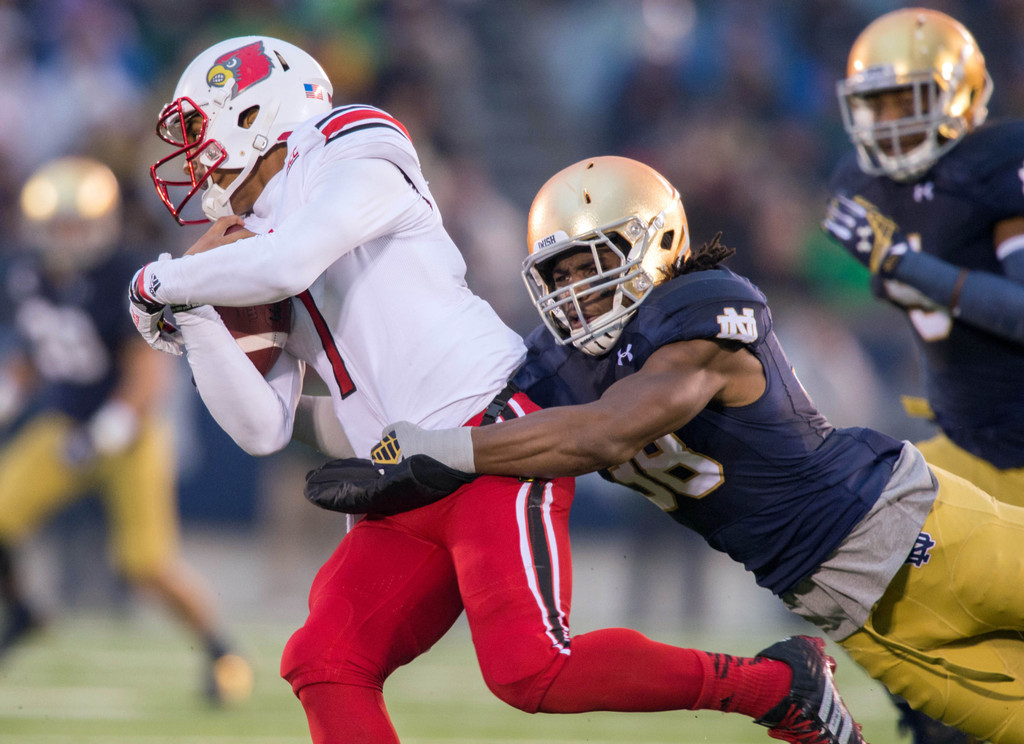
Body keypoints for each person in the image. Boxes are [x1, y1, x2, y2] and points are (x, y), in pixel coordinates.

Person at [130, 35, 869, 744]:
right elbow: (262, 428)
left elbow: (289, 263)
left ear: (256, 110)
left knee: (531, 671)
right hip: (400, 475)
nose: (191, 157)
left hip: (488, 437)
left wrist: (162, 280)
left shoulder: (351, 144)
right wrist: (189, 315)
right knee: (323, 660)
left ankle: (779, 685)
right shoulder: (246, 248)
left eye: (197, 129)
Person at [318, 155, 1024, 744]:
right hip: (846, 612)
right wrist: (368, 444)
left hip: (915, 531)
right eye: (559, 275)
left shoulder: (701, 303)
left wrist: (442, 449)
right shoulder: (555, 366)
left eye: (591, 262)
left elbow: (613, 429)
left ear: (653, 244)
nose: (577, 291)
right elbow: (482, 424)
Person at [823, 8, 1024, 742]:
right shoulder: (867, 186)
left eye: (907, 101)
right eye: (875, 104)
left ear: (963, 96)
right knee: (854, 569)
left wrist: (915, 269)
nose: (888, 122)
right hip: (971, 449)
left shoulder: (998, 166)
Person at [0, 156, 252, 705]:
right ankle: (22, 610)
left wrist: (109, 430)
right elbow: (34, 354)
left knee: (145, 563)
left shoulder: (124, 273)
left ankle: (221, 651)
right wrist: (9, 395)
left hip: (126, 432)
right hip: (63, 424)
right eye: (58, 225)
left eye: (77, 223)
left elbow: (147, 368)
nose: (67, 237)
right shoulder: (27, 273)